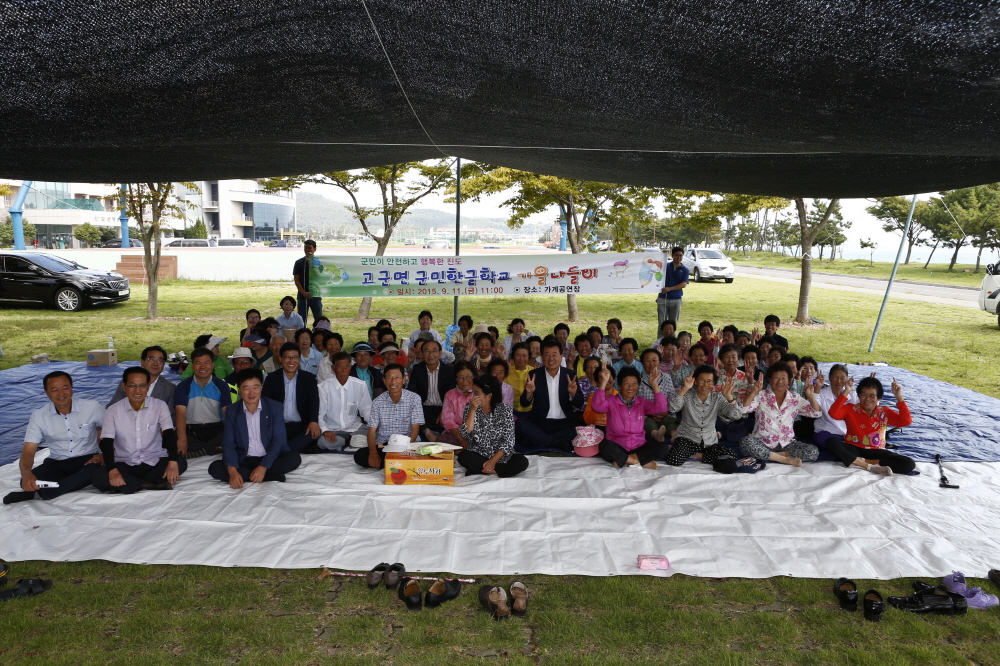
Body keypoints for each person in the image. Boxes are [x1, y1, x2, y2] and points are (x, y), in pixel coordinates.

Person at [3, 371, 105, 505]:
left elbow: (116, 432)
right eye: (54, 390)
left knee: (94, 471)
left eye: (65, 388)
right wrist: (26, 473)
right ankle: (63, 485)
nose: (61, 393)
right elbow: (28, 451)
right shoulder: (39, 416)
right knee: (26, 481)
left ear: (72, 388)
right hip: (57, 463)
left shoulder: (92, 407)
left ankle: (43, 492)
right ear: (46, 392)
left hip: (88, 459)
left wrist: (106, 455)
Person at [92, 367, 186, 494]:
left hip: (153, 461)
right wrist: (112, 470)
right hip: (125, 463)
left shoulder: (159, 406)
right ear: (124, 386)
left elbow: (169, 433)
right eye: (132, 386)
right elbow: (107, 442)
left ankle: (129, 484)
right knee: (98, 476)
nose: (137, 390)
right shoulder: (113, 410)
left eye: (142, 386)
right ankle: (149, 484)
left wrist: (172, 462)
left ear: (148, 386)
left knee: (180, 462)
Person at [209, 368, 302, 486]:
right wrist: (232, 472)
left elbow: (279, 441)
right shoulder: (232, 411)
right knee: (214, 468)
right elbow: (229, 443)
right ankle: (268, 476)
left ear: (261, 387)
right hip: (244, 459)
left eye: (255, 387)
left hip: (269, 457)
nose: (251, 393)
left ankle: (253, 475)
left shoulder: (274, 407)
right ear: (239, 389)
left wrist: (263, 466)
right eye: (246, 388)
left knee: (294, 458)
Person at [826, 375, 915, 475]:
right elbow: (833, 413)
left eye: (872, 395)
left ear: (878, 398)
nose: (867, 399)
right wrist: (846, 391)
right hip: (854, 448)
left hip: (876, 451)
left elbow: (906, 421)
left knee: (909, 463)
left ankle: (864, 462)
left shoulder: (884, 411)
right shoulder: (850, 408)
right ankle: (869, 466)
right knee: (831, 442)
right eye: (864, 394)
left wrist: (899, 397)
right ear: (858, 396)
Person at [740, 362, 822, 466]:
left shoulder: (794, 398)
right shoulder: (761, 396)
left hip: (786, 443)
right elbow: (743, 409)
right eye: (776, 377)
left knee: (813, 451)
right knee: (746, 442)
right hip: (762, 442)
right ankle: (784, 459)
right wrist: (754, 391)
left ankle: (772, 456)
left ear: (789, 381)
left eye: (784, 378)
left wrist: (810, 396)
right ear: (770, 380)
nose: (780, 381)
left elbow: (816, 413)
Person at [666, 366, 745, 466]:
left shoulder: (717, 397)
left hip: (709, 441)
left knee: (730, 455)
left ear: (713, 383)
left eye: (709, 381)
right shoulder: (687, 395)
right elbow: (672, 408)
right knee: (673, 459)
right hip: (687, 438)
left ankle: (695, 455)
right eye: (702, 380)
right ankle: (692, 453)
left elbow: (736, 415)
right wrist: (685, 388)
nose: (705, 385)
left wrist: (729, 396)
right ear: (695, 381)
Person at [592, 366, 667, 469]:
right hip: (617, 445)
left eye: (634, 384)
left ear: (638, 386)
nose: (631, 387)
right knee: (605, 446)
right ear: (619, 386)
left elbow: (661, 408)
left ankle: (625, 459)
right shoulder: (611, 401)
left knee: (663, 447)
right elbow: (597, 406)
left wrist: (654, 384)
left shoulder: (642, 402)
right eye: (627, 383)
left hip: (638, 446)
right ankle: (637, 461)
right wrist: (604, 382)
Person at [515, 338, 583, 451]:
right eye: (547, 355)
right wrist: (528, 393)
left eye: (554, 354)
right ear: (542, 357)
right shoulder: (534, 374)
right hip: (540, 422)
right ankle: (555, 442)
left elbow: (579, 403)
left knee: (579, 430)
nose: (551, 359)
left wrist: (573, 393)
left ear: (561, 356)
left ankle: (540, 440)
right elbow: (524, 403)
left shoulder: (570, 374)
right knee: (521, 424)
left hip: (564, 423)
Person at [457, 375, 529, 477]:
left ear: (489, 396)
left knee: (522, 461)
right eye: (474, 392)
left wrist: (493, 461)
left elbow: (508, 441)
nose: (473, 396)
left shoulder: (505, 410)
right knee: (463, 457)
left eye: (477, 393)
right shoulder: (470, 407)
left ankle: (485, 469)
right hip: (478, 453)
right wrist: (472, 410)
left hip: (500, 457)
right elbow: (465, 433)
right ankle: (497, 470)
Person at [355, 364, 423, 469]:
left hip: (408, 444)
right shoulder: (378, 402)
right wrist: (373, 452)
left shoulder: (414, 399)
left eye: (397, 378)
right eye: (389, 378)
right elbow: (372, 431)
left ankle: (392, 462)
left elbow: (415, 429)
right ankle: (396, 463)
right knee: (360, 456)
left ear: (404, 380)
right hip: (385, 445)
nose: (393, 382)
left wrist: (404, 450)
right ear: (384, 380)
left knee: (424, 453)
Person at [262, 342, 321, 453]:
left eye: (294, 357)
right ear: (280, 358)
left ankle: (282, 450)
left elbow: (314, 402)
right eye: (287, 357)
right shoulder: (272, 379)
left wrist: (313, 421)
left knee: (312, 434)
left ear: (299, 359)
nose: (291, 361)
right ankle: (291, 449)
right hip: (279, 426)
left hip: (301, 426)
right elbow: (266, 404)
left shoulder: (308, 378)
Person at [175, 347, 233, 458]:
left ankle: (199, 451)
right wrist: (182, 438)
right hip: (192, 430)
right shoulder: (184, 386)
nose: (202, 367)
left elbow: (227, 412)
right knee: (172, 436)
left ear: (212, 365)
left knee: (232, 433)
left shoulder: (221, 385)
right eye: (198, 363)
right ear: (192, 365)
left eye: (206, 363)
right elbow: (180, 413)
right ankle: (210, 449)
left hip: (215, 429)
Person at [316, 351, 372, 451]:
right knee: (322, 442)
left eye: (347, 366)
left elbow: (366, 409)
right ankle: (350, 441)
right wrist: (325, 430)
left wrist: (374, 425)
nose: (344, 370)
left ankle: (350, 440)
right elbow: (320, 414)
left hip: (355, 427)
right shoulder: (323, 387)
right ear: (333, 368)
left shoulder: (360, 385)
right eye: (340, 366)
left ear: (351, 367)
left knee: (374, 433)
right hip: (333, 429)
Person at [107, 345, 176, 423]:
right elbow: (112, 407)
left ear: (164, 364)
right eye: (151, 359)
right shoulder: (128, 382)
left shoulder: (169, 388)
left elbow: (171, 416)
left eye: (160, 360)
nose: (155, 363)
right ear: (142, 362)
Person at [407, 339, 456, 431]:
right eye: (427, 351)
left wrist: (444, 411)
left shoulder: (449, 371)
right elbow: (411, 391)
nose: (430, 355)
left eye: (434, 351)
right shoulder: (418, 369)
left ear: (440, 353)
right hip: (423, 409)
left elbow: (452, 394)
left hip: (444, 408)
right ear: (422, 353)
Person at [429, 362, 476, 445]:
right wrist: (461, 439)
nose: (465, 381)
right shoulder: (450, 395)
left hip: (476, 433)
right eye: (461, 377)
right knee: (442, 443)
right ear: (456, 379)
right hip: (456, 433)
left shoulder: (479, 392)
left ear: (473, 377)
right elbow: (448, 421)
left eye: (468, 376)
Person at [813, 364, 858, 448]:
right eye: (836, 377)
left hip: (847, 435)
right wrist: (817, 388)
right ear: (829, 378)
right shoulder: (822, 393)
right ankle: (844, 448)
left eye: (842, 378)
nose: (839, 381)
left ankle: (841, 448)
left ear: (847, 380)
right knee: (822, 437)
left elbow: (867, 409)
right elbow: (814, 411)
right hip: (827, 432)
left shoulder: (852, 394)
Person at [638, 348, 676, 441]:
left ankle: (674, 434)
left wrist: (666, 412)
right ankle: (656, 435)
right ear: (642, 363)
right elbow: (636, 401)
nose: (652, 363)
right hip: (646, 414)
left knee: (670, 422)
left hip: (666, 413)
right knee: (646, 422)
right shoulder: (638, 379)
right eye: (648, 360)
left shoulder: (666, 377)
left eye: (655, 360)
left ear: (659, 362)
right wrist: (649, 413)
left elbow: (672, 397)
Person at [293, 239, 323, 321]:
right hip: (302, 296)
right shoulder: (299, 262)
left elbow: (322, 276)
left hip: (316, 296)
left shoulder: (320, 262)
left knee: (318, 320)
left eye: (309, 248)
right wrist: (303, 292)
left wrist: (313, 262)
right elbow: (296, 280)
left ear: (314, 249)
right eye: (305, 248)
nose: (307, 250)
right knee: (302, 320)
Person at [658, 246, 689, 325]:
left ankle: (672, 338)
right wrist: (661, 255)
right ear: (672, 256)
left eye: (680, 255)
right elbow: (656, 265)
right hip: (662, 298)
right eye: (676, 255)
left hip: (676, 300)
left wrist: (670, 288)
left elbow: (684, 284)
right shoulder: (665, 266)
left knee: (673, 325)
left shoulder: (685, 269)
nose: (678, 257)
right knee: (662, 325)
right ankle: (661, 338)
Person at [506, 343, 533, 415]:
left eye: (525, 355)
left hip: (531, 412)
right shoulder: (507, 372)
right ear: (513, 356)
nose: (521, 359)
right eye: (518, 355)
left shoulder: (534, 372)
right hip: (510, 411)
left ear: (529, 357)